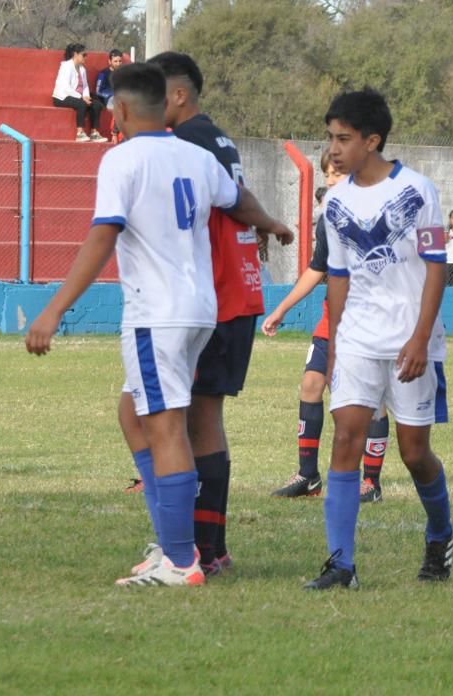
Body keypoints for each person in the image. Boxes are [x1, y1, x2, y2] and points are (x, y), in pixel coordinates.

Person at [24, 62, 289, 585]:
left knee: (165, 426)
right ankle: (174, 540)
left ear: (120, 110)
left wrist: (54, 310)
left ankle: (180, 559)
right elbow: (239, 200)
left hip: (156, 316)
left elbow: (103, 236)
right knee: (134, 413)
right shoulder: (194, 154)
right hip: (199, 311)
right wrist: (273, 223)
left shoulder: (121, 160)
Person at [147, 50, 293, 576]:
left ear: (179, 95)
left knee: (193, 417)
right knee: (197, 415)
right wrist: (273, 223)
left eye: (154, 92)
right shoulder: (215, 136)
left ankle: (199, 548)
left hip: (215, 294)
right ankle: (206, 544)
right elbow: (238, 199)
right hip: (236, 289)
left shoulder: (185, 141)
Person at [304, 88, 453, 590]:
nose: (335, 148)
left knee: (414, 452)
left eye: (344, 138)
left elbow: (437, 266)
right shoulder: (337, 202)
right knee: (346, 436)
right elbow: (339, 277)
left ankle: (441, 533)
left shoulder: (419, 190)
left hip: (411, 342)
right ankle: (341, 564)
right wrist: (333, 346)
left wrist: (420, 338)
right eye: (330, 138)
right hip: (357, 340)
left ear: (373, 140)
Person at [264, 150, 393, 503]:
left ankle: (370, 482)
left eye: (336, 174)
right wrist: (281, 309)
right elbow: (315, 269)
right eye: (326, 176)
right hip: (332, 319)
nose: (330, 182)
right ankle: (307, 475)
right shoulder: (327, 219)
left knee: (372, 400)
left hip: (370, 323)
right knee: (311, 383)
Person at [51, 43, 106, 142]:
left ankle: (94, 133)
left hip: (78, 96)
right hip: (62, 97)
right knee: (82, 104)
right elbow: (65, 88)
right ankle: (80, 133)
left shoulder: (82, 69)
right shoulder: (66, 66)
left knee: (96, 104)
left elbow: (85, 86)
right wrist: (81, 97)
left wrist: (86, 96)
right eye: (83, 55)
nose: (86, 57)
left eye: (86, 55)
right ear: (75, 54)